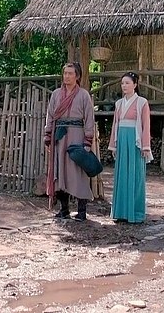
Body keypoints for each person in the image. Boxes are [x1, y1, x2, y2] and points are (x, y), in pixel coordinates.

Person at [44, 62, 96, 221]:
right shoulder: (56, 94)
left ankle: (81, 211)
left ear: (77, 76)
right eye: (65, 73)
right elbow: (50, 115)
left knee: (78, 171)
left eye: (70, 73)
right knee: (60, 171)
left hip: (77, 136)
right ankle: (64, 209)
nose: (66, 76)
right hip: (59, 137)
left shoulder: (84, 95)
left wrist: (88, 140)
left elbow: (89, 118)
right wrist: (48, 135)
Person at [108, 72, 152, 224]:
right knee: (121, 175)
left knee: (136, 175)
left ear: (135, 85)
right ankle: (120, 212)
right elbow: (115, 124)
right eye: (122, 83)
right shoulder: (119, 104)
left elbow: (146, 125)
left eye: (127, 83)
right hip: (121, 139)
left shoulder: (142, 102)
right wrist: (113, 145)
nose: (124, 86)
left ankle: (136, 213)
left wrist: (145, 146)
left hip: (135, 140)